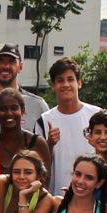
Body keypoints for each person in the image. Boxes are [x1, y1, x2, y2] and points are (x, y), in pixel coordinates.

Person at [37, 59, 94, 192]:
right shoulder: (44, 121)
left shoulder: (96, 115)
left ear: (79, 83)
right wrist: (49, 145)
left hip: (91, 197)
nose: (66, 84)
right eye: (60, 80)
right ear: (53, 85)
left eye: (70, 79)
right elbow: (38, 164)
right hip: (56, 198)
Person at [0, 44, 50, 129]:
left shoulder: (38, 105)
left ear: (20, 66)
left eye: (11, 61)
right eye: (0, 61)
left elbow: (48, 139)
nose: (6, 66)